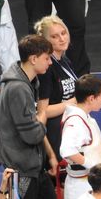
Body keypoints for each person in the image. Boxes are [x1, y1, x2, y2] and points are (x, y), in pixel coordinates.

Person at [0, 34, 58, 199]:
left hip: (32, 168)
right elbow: (32, 134)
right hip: (22, 172)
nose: (50, 62)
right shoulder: (18, 88)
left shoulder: (24, 81)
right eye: (47, 58)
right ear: (33, 59)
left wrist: (50, 155)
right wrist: (41, 119)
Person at [35, 15, 78, 161]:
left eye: (63, 33)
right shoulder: (46, 68)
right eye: (54, 36)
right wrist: (75, 101)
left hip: (68, 126)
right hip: (55, 132)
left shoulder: (65, 61)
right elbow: (43, 111)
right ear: (45, 41)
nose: (62, 39)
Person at [60, 74, 101, 199]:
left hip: (87, 183)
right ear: (91, 98)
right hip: (81, 187)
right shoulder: (76, 121)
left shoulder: (83, 117)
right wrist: (93, 165)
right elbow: (67, 150)